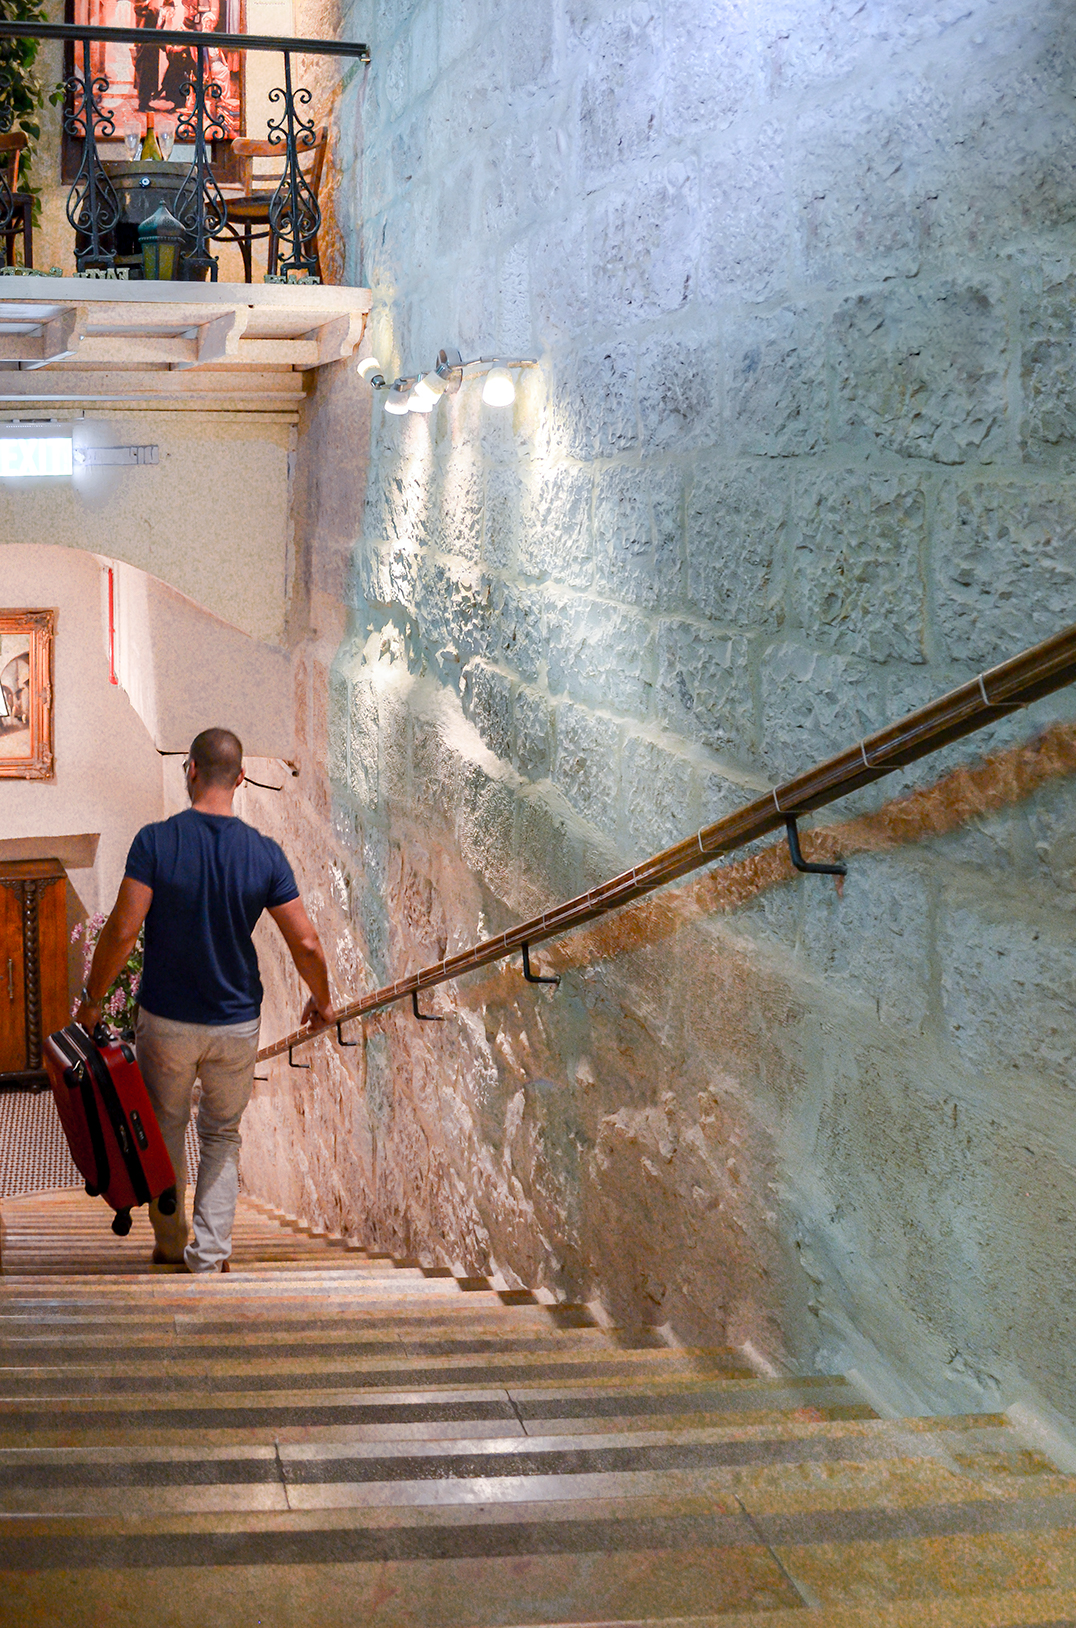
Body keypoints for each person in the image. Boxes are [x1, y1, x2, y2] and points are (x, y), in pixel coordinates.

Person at [75, 727, 332, 1273]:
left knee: (164, 1126)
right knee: (221, 1133)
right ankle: (210, 1256)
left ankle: (170, 1244)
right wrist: (322, 1000)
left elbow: (122, 930)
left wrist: (93, 1000)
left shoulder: (155, 842)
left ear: (189, 768)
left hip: (166, 1020)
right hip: (236, 1025)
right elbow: (306, 941)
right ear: (240, 779)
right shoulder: (266, 854)